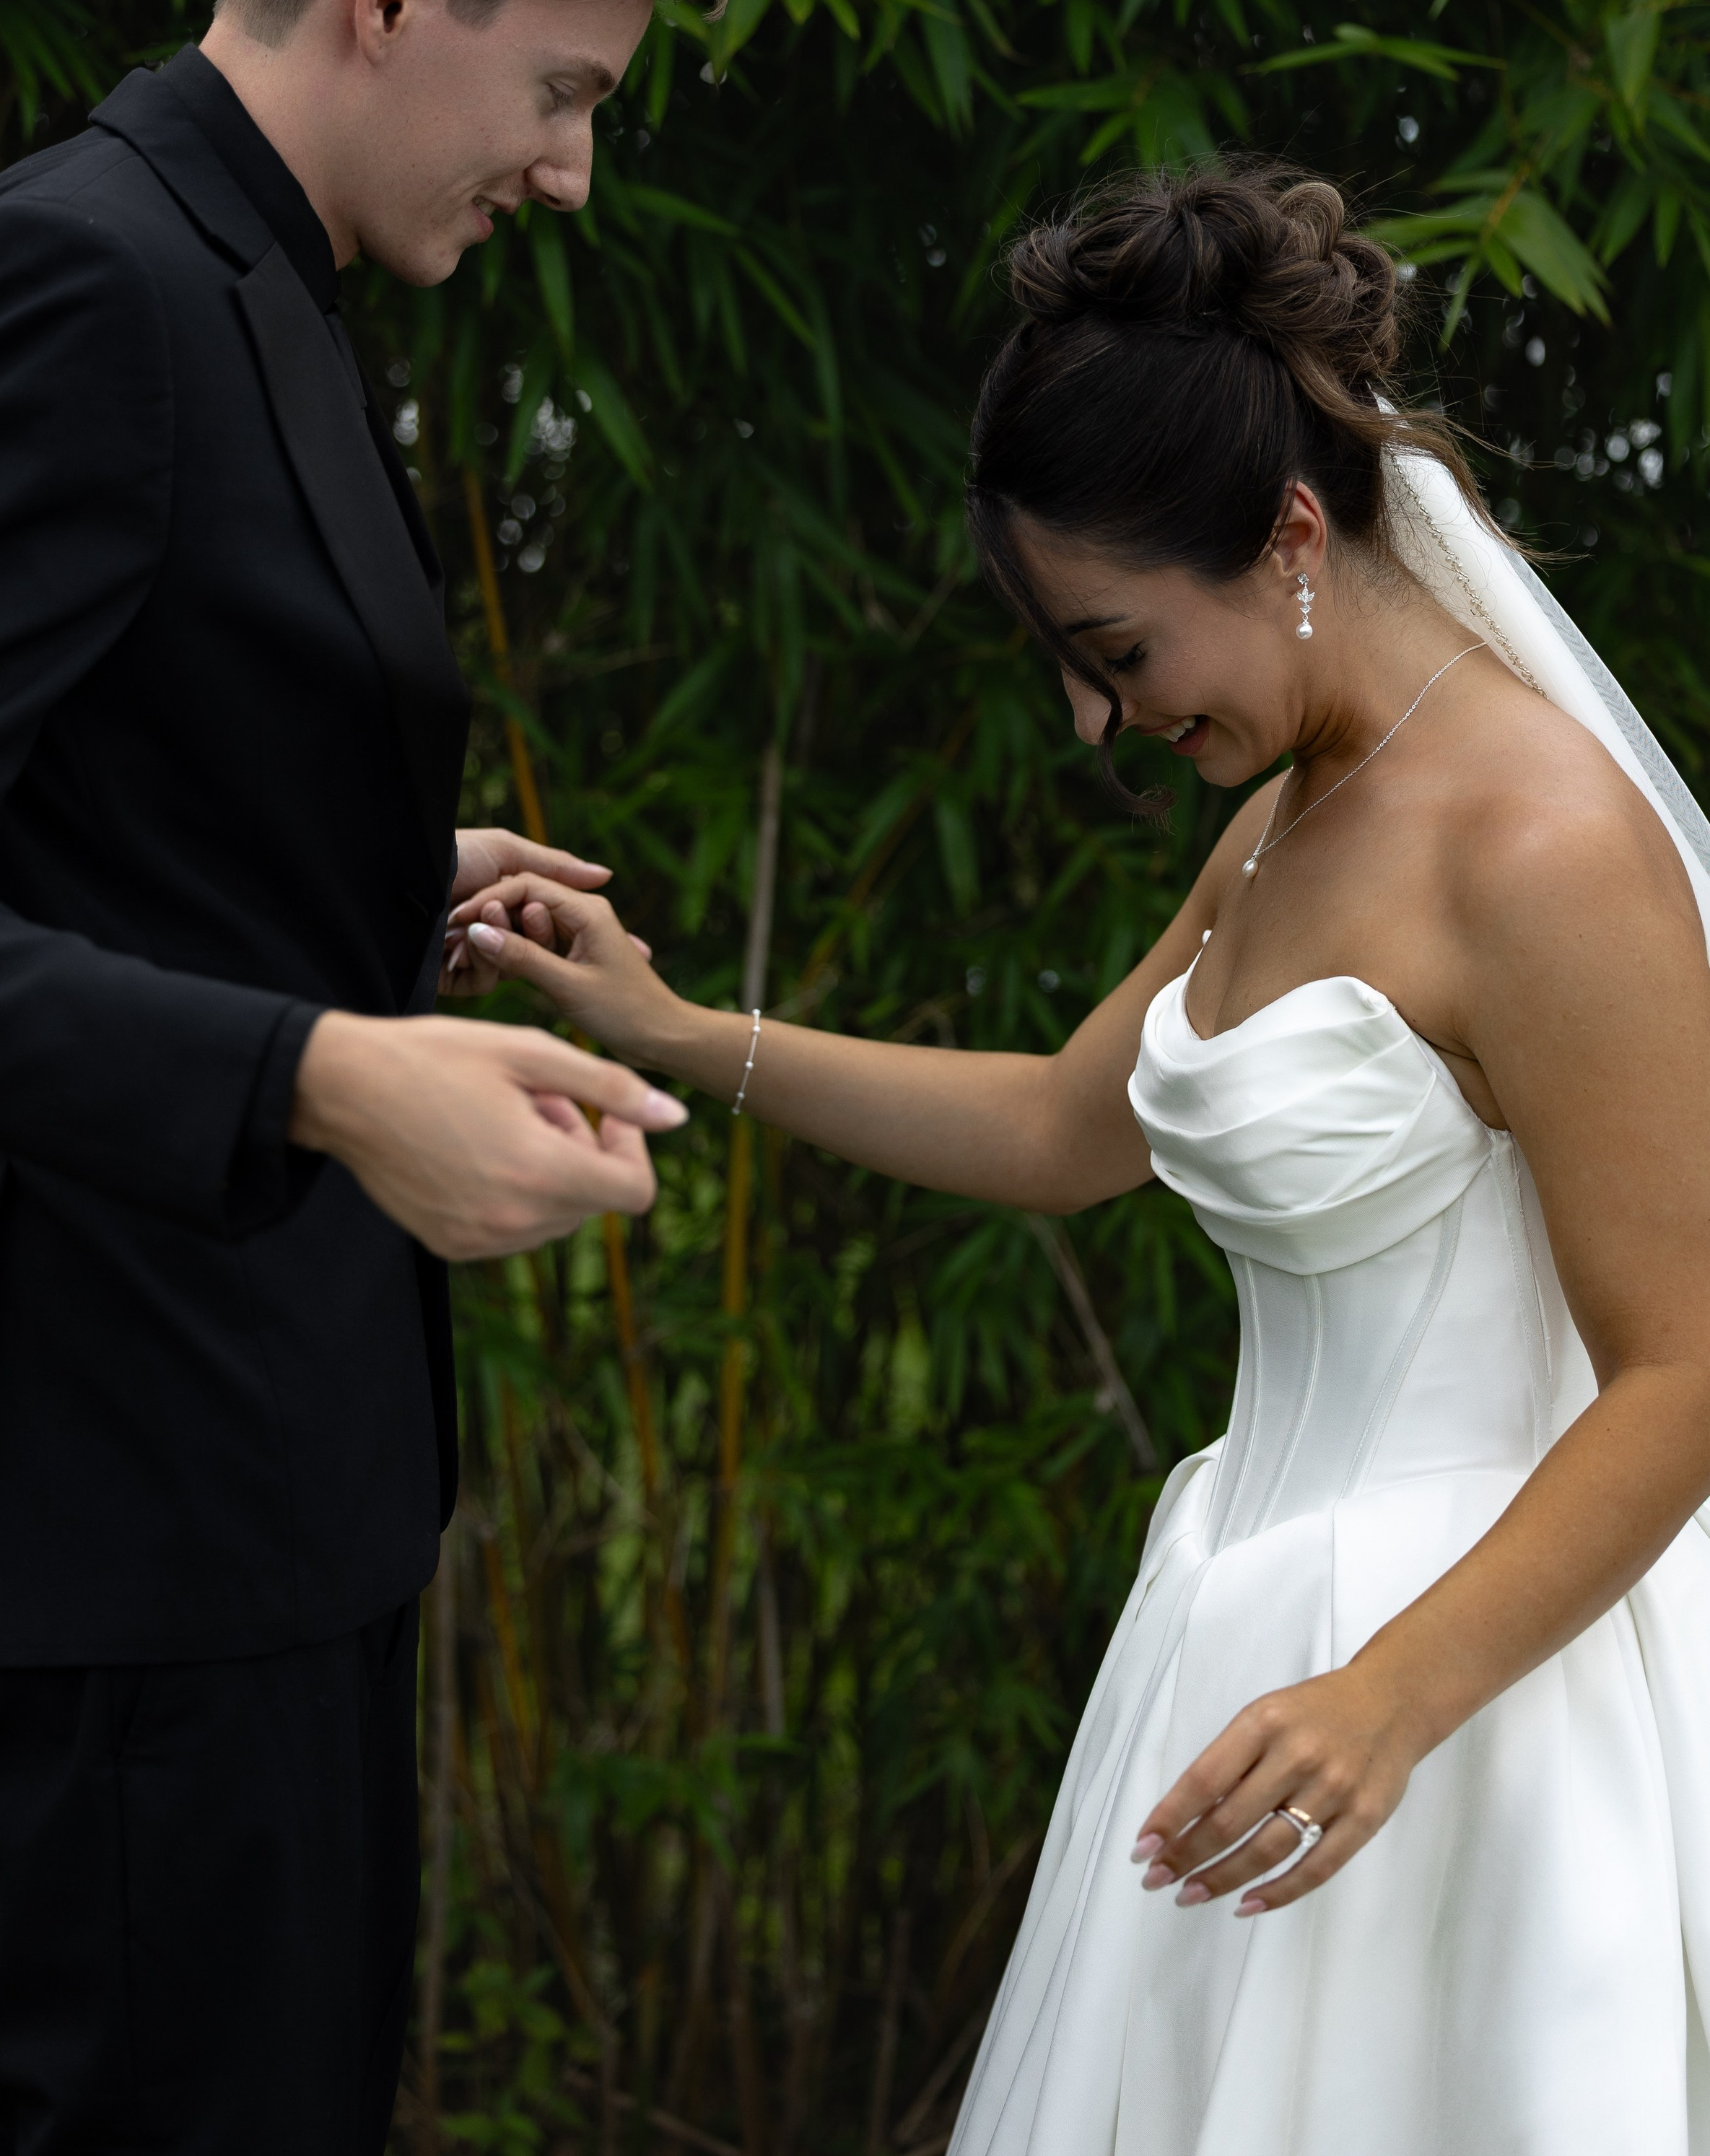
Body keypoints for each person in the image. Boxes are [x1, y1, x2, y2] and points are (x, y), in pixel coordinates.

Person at [467, 167, 1710, 2154]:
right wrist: (683, 1028)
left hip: (1470, 1687)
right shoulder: (1294, 809)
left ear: (1292, 534)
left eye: (1116, 647)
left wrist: (1392, 1690)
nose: (1094, 716)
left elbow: (1688, 1370)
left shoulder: (1541, 851)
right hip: (1242, 1638)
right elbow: (1069, 1128)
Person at [0, 0, 738, 2154]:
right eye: (562, 90)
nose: (571, 172)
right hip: (116, 1526)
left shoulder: (263, 269)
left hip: (264, 1495)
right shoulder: (85, 277)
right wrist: (322, 1074)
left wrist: (378, 886)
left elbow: (93, 802)